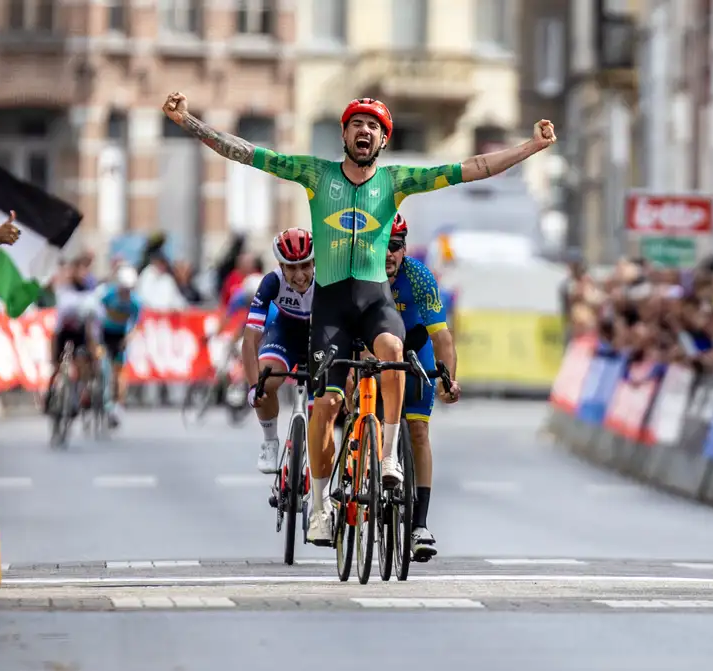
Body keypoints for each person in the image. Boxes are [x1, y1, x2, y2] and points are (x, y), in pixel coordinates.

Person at [163, 91, 557, 545]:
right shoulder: (317, 174)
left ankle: (388, 457)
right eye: (356, 125)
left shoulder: (396, 180)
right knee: (326, 404)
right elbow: (250, 155)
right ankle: (317, 508)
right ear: (345, 134)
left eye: (374, 127)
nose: (364, 132)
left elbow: (471, 169)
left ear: (383, 140)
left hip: (374, 301)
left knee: (392, 354)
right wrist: (189, 121)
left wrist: (531, 148)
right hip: (331, 305)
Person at [383, 213, 460, 559]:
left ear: (404, 247)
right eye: (381, 245)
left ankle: (419, 525)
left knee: (418, 433)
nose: (388, 254)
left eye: (395, 246)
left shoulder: (418, 276)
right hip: (374, 346)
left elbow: (442, 337)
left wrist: (448, 379)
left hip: (416, 349)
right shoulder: (361, 273)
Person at [243, 228, 315, 476]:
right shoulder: (272, 282)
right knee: (265, 380)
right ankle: (270, 440)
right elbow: (250, 339)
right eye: (291, 268)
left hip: (319, 336)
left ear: (315, 262)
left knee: (327, 404)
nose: (299, 275)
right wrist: (254, 387)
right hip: (286, 333)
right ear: (280, 266)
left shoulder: (327, 278)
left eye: (305, 266)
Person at [45, 256, 102, 415]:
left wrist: (94, 347)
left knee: (81, 361)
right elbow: (57, 324)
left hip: (81, 332)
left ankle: (77, 394)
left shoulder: (90, 292)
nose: (82, 274)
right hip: (64, 330)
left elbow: (94, 320)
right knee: (56, 366)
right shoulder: (64, 289)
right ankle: (50, 394)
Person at [98, 265, 142, 427]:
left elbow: (136, 325)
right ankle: (95, 392)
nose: (126, 294)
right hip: (104, 333)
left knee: (119, 373)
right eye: (124, 290)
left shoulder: (135, 303)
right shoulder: (109, 295)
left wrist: (128, 338)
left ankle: (117, 406)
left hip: (120, 337)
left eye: (129, 290)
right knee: (101, 365)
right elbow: (97, 311)